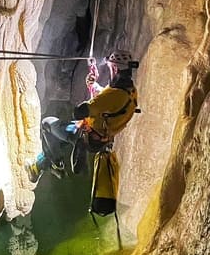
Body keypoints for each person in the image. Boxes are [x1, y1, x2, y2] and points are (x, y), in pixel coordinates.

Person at [26, 50, 139, 183]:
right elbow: (112, 102)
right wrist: (94, 86)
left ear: (115, 67)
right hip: (101, 138)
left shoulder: (115, 95)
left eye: (110, 66)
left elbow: (80, 111)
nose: (110, 69)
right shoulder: (130, 91)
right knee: (57, 142)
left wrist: (90, 102)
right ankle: (38, 167)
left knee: (47, 124)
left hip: (85, 134)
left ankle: (56, 165)